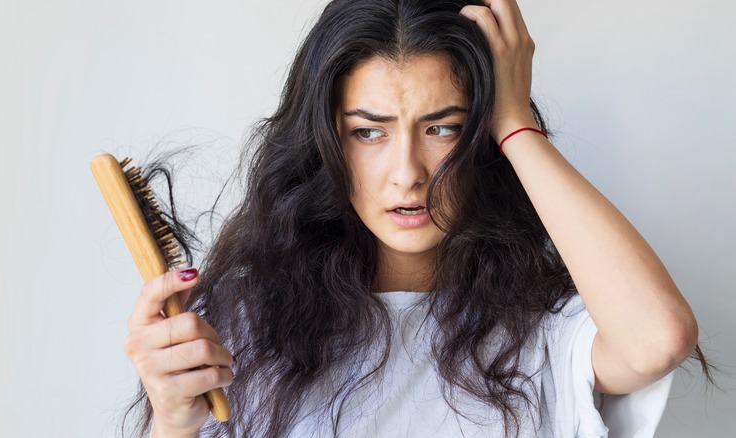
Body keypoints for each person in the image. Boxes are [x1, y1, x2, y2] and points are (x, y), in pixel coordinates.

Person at [121, 0, 707, 436]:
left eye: (442, 128)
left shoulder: (549, 329)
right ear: (326, 142)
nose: (407, 173)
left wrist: (513, 119)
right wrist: (171, 423)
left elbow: (659, 339)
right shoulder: (237, 331)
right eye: (368, 131)